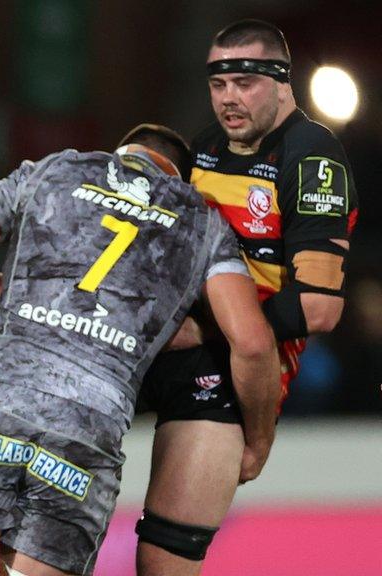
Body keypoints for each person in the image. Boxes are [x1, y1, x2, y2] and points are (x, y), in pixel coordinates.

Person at [0, 124, 281, 576]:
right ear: (180, 179)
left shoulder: (56, 171)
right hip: (84, 435)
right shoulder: (201, 222)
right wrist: (258, 442)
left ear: (121, 152)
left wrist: (1, 317)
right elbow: (254, 344)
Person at [133, 20, 359, 575]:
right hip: (170, 341)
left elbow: (319, 307)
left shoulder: (311, 159)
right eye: (219, 84)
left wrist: (204, 328)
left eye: (245, 82)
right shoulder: (208, 146)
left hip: (236, 368)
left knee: (162, 559)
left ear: (283, 83)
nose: (229, 98)